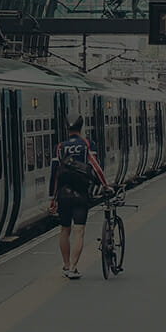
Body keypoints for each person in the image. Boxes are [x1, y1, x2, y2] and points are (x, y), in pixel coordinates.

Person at [49, 117, 107, 279]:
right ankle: (74, 268)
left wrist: (52, 198)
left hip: (63, 195)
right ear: (81, 129)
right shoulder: (88, 145)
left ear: (67, 129)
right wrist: (105, 184)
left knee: (64, 230)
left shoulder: (59, 147)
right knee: (79, 231)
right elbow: (96, 167)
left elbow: (55, 174)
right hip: (81, 193)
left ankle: (66, 265)